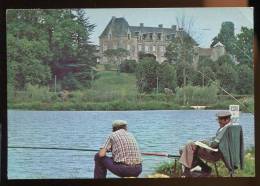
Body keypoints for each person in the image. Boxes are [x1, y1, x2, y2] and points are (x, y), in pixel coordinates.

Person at [179, 111, 233, 176]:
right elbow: (216, 140)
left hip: (214, 154)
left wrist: (205, 145)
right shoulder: (230, 128)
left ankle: (187, 171)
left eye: (220, 119)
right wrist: (203, 142)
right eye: (218, 119)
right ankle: (205, 168)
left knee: (189, 145)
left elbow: (214, 144)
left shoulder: (226, 129)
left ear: (227, 120)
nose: (218, 121)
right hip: (217, 153)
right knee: (185, 148)